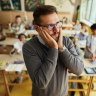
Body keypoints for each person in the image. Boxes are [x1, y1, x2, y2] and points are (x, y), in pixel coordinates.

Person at [23, 5, 84, 96]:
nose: (57, 30)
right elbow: (41, 83)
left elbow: (78, 70)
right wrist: (54, 48)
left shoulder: (66, 41)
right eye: (50, 26)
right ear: (37, 29)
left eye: (58, 24)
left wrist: (62, 49)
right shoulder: (29, 47)